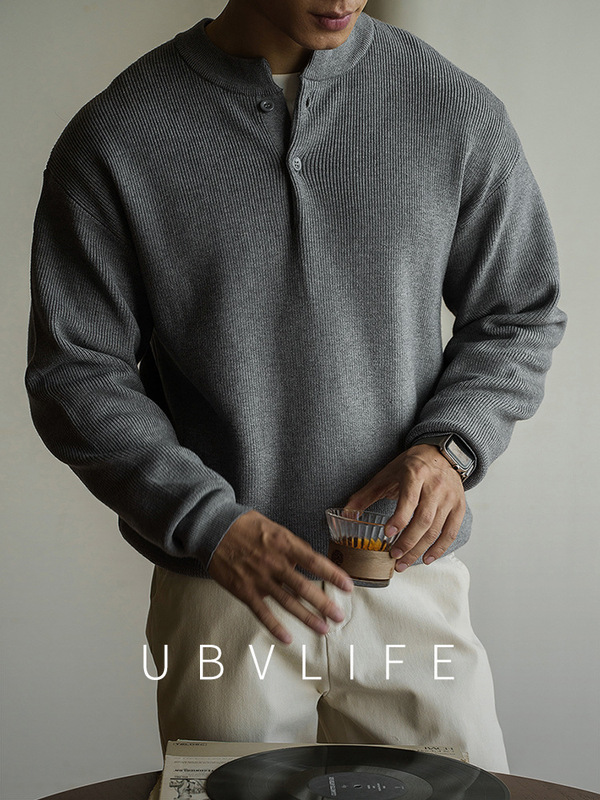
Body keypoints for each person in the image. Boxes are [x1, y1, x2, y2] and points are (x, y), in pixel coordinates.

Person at [26, 0, 566, 772]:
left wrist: (448, 450)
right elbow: (76, 371)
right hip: (221, 587)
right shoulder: (117, 137)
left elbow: (519, 311)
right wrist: (208, 524)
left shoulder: (451, 107)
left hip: (407, 573)